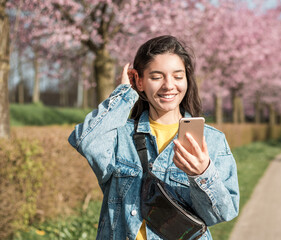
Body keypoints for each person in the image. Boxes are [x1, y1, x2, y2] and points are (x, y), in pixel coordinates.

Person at [68, 35, 239, 240]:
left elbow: (223, 213)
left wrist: (202, 174)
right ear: (139, 81)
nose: (169, 85)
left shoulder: (212, 141)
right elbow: (87, 142)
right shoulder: (120, 135)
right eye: (157, 77)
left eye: (178, 76)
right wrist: (124, 94)